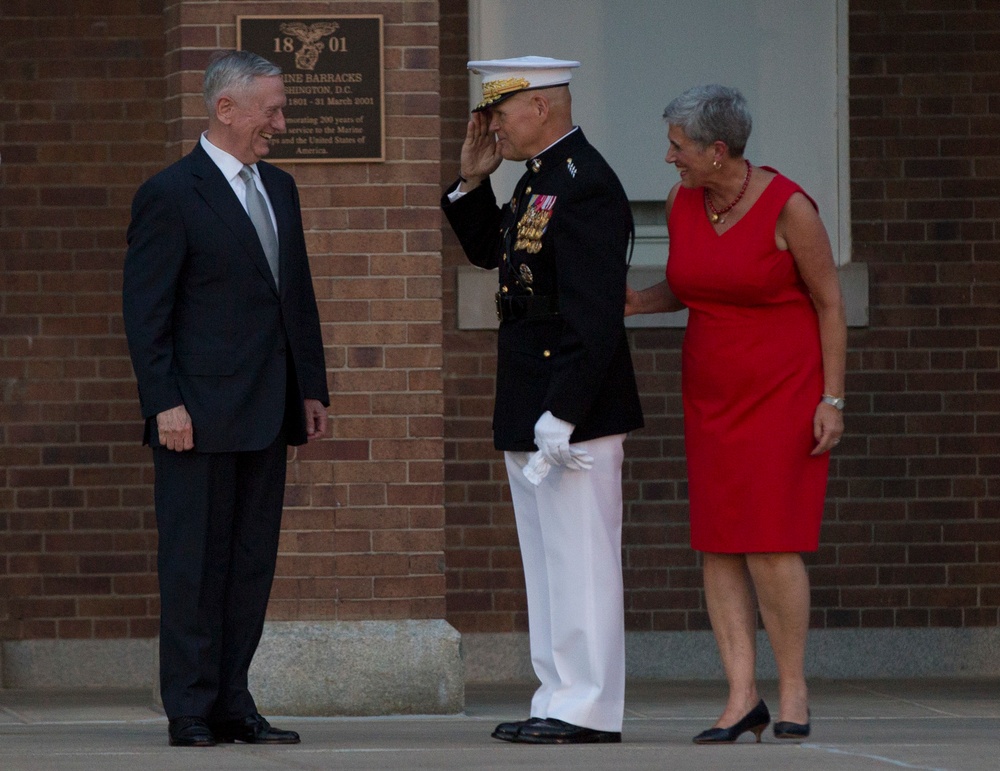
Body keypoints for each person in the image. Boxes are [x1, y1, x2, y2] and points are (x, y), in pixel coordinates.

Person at [626, 84, 846, 744]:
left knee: (771, 540)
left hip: (783, 390)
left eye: (679, 147)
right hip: (712, 395)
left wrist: (832, 399)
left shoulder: (790, 207)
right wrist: (638, 301)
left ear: (718, 151)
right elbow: (694, 283)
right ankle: (740, 695)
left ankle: (793, 688)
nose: (669, 158)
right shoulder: (682, 202)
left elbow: (830, 303)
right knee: (718, 540)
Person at [122, 50, 329, 748]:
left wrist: (311, 388)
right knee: (192, 565)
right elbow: (146, 311)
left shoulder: (283, 187)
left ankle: (234, 700)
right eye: (271, 107)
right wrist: (163, 402)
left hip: (268, 411)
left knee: (249, 564)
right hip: (196, 418)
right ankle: (189, 704)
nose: (281, 119)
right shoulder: (171, 193)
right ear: (226, 109)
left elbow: (293, 296)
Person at [442, 56, 643, 744]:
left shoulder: (585, 185)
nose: (493, 122)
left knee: (580, 560)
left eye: (502, 110)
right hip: (535, 398)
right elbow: (494, 256)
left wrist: (564, 410)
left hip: (571, 405)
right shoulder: (539, 180)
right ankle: (556, 694)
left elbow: (594, 315)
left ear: (542, 108)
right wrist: (473, 181)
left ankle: (587, 705)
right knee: (547, 561)